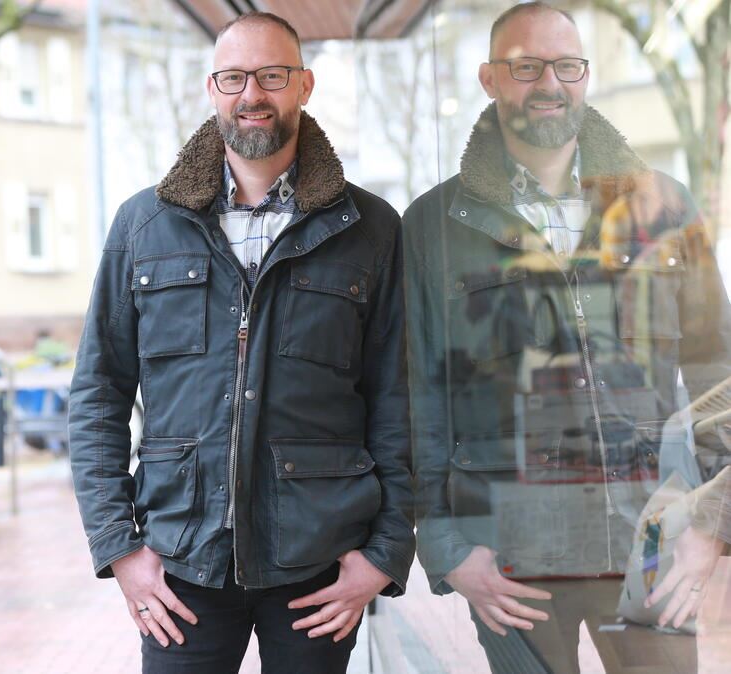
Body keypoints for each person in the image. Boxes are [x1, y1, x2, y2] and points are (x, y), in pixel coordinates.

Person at [68, 11, 414, 674]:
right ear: (212, 88)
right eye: (233, 77)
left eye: (271, 76)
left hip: (318, 562)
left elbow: (400, 398)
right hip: (180, 564)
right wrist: (119, 548)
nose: (251, 94)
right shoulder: (144, 225)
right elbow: (97, 392)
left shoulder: (369, 228)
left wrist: (385, 553)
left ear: (304, 86)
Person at [403, 3, 731, 673]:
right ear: (491, 78)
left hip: (651, 540)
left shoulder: (663, 207)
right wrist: (447, 547)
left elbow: (716, 374)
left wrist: (712, 524)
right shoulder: (432, 226)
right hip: (509, 549)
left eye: (567, 65)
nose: (549, 83)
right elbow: (415, 393)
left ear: (587, 76)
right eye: (526, 66)